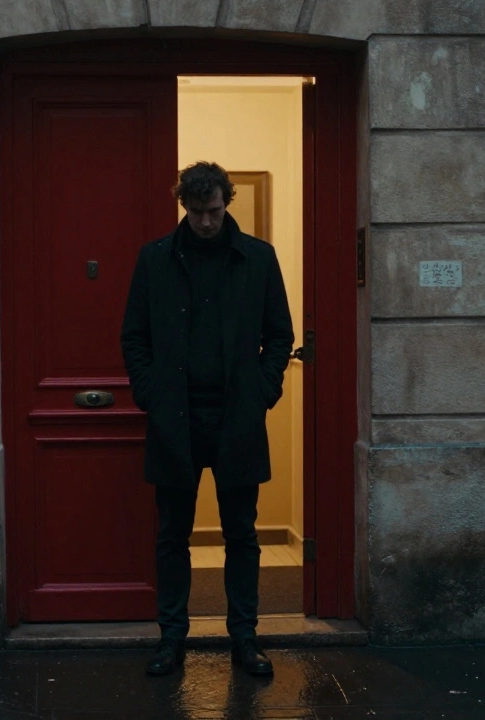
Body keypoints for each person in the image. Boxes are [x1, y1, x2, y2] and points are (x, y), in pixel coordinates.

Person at [120, 162, 294, 678]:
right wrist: (149, 392)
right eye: (196, 212)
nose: (205, 222)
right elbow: (134, 335)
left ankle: (245, 639)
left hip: (238, 415)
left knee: (242, 534)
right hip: (176, 417)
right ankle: (172, 640)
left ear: (227, 202)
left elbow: (279, 334)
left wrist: (263, 390)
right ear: (184, 207)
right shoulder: (155, 259)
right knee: (173, 534)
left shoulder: (258, 258)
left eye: (214, 211)